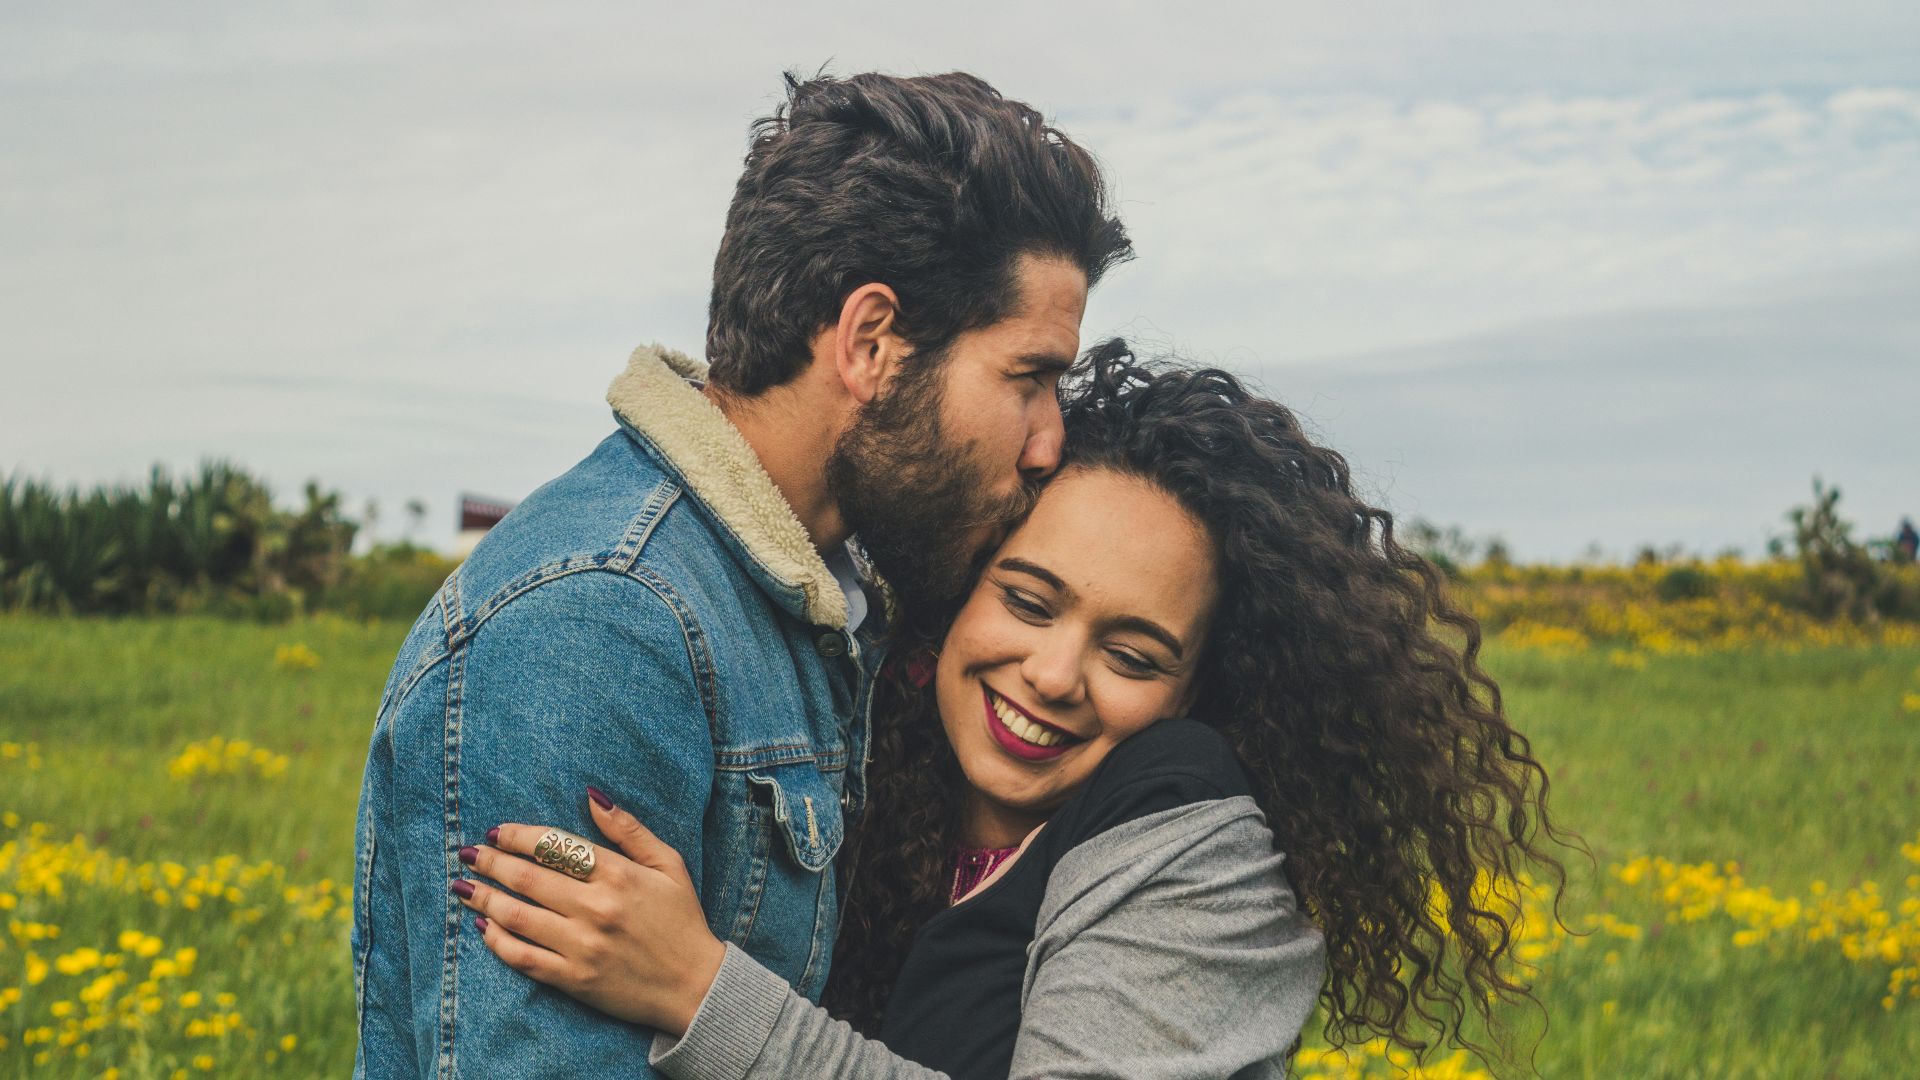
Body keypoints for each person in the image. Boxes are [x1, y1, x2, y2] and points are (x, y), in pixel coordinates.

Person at [453, 345, 1568, 1078]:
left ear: (1195, 691)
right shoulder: (859, 773)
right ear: (957, 591)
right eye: (1028, 601)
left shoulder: (1205, 845)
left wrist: (700, 991)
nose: (1051, 673)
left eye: (1131, 652)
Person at [351, 71, 1131, 1078]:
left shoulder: (826, 595)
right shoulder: (599, 627)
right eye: (1029, 378)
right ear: (871, 342)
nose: (1048, 443)